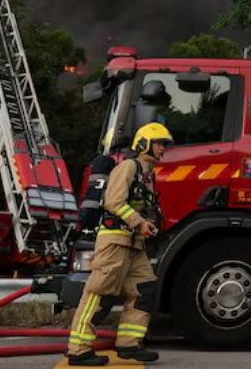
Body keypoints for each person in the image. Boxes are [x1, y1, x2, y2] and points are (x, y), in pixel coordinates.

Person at [66, 123, 173, 366]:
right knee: (100, 293)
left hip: (135, 243)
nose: (163, 149)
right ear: (144, 143)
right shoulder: (128, 166)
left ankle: (129, 344)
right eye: (159, 143)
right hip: (115, 241)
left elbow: (142, 205)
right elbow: (114, 202)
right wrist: (139, 222)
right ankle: (79, 350)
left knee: (144, 288)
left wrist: (148, 223)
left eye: (164, 144)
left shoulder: (148, 173)